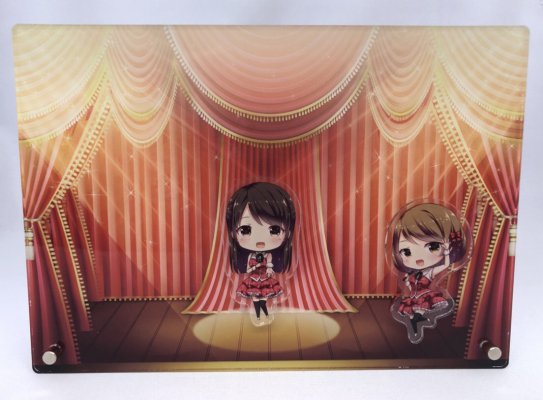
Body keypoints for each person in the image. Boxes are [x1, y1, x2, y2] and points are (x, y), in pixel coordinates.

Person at [391, 203, 467, 336]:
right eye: (406, 251)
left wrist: (447, 252)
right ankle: (415, 324)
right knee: (411, 312)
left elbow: (445, 265)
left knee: (420, 310)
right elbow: (409, 286)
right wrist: (407, 285)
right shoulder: (413, 273)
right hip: (414, 296)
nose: (419, 259)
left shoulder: (430, 272)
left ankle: (416, 322)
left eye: (433, 246)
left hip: (424, 295)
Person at [225, 182, 296, 320]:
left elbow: (269, 267)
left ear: (287, 232)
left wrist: (268, 269)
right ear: (233, 232)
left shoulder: (268, 255)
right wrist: (255, 266)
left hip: (265, 280)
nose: (260, 241)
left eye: (275, 230)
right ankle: (258, 316)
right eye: (245, 230)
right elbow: (247, 269)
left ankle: (265, 314)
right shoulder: (251, 255)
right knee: (255, 300)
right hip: (252, 281)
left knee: (262, 300)